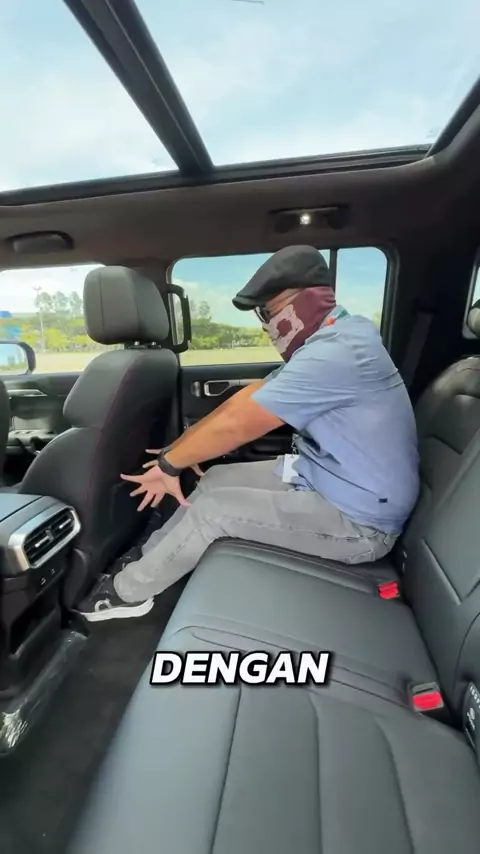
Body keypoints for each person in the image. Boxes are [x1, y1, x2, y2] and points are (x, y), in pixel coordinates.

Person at [79, 245, 419, 622]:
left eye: (268, 312)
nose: (265, 325)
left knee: (213, 512)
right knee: (215, 478)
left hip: (360, 521)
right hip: (327, 480)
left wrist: (170, 464)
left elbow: (240, 423)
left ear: (304, 302)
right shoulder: (329, 341)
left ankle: (127, 592)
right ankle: (148, 556)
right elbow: (244, 401)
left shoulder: (339, 352)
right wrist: (177, 452)